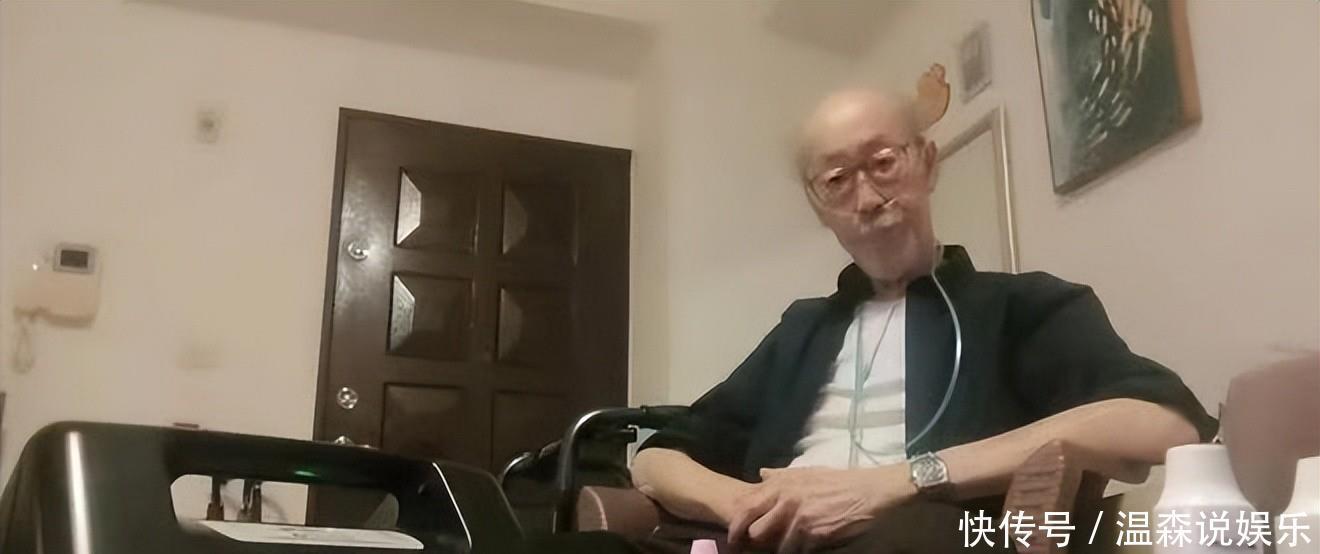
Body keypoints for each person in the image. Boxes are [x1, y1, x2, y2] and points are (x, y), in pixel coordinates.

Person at [627, 88, 1217, 553]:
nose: (867, 198)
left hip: (920, 535)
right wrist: (742, 505)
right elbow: (656, 459)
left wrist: (896, 482)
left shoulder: (1020, 305)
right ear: (819, 206)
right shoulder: (802, 329)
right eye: (837, 180)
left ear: (927, 163)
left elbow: (1164, 424)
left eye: (883, 163)